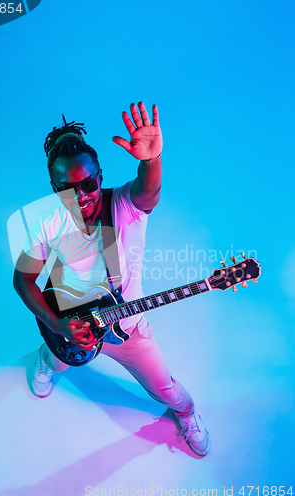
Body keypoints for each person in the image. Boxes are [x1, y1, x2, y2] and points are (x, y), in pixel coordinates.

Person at [13, 102, 211, 457]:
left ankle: (187, 414)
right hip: (70, 321)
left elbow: (147, 192)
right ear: (54, 187)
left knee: (165, 388)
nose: (81, 196)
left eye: (88, 183)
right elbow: (24, 279)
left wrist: (151, 161)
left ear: (100, 176)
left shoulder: (124, 207)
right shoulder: (46, 223)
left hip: (128, 328)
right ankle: (49, 355)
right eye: (66, 188)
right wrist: (57, 325)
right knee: (60, 355)